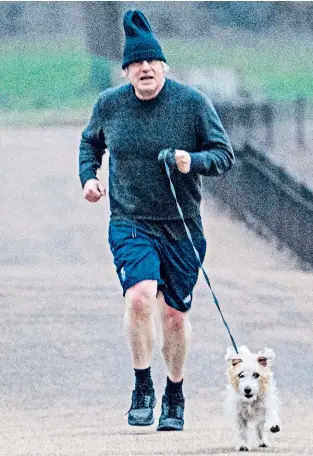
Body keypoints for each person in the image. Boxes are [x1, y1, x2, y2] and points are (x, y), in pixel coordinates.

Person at [79, 9, 235, 431]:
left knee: (174, 317)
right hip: (130, 221)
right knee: (140, 297)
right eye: (136, 63)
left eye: (152, 62)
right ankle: (142, 385)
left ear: (163, 66)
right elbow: (90, 143)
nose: (145, 69)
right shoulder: (109, 105)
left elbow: (224, 156)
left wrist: (191, 160)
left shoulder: (192, 104)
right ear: (126, 70)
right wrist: (89, 178)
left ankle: (175, 392)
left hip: (181, 224)